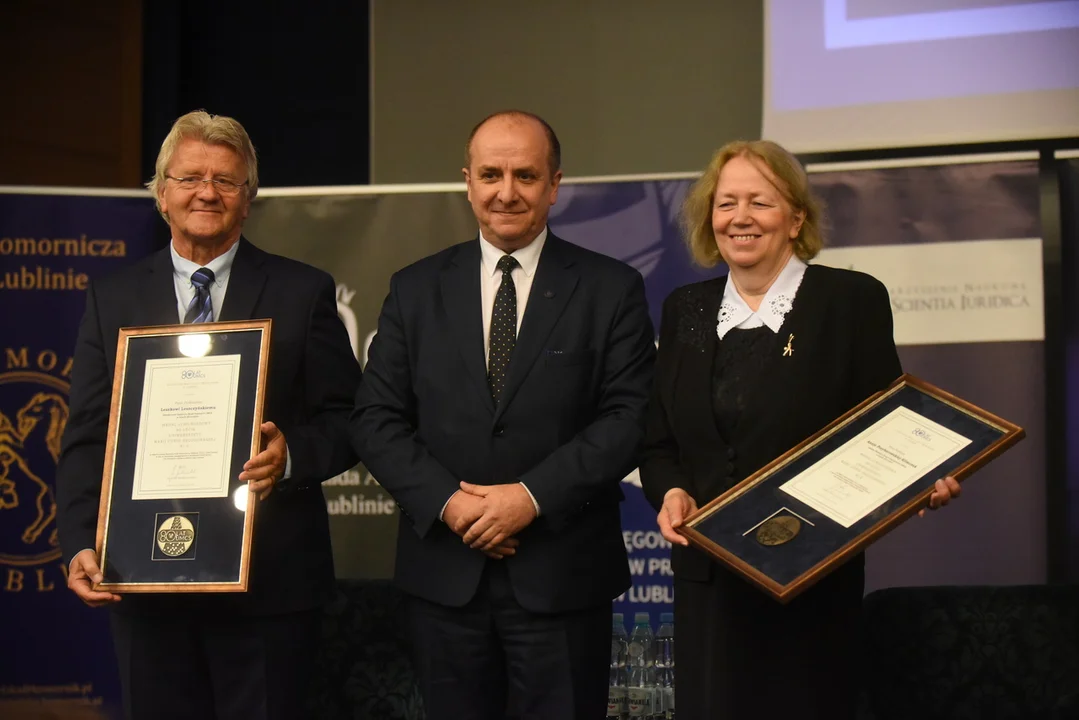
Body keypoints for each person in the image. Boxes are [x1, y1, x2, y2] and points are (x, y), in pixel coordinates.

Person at [638, 139, 961, 719]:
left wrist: (923, 476)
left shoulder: (850, 300)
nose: (740, 217)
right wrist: (671, 490)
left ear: (796, 219)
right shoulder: (684, 308)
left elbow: (891, 429)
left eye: (759, 202)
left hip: (811, 577)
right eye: (726, 203)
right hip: (708, 582)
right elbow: (659, 442)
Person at [55, 110, 362, 720]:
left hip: (270, 589)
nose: (207, 192)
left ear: (248, 199)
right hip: (144, 582)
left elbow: (352, 418)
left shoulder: (302, 292)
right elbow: (88, 435)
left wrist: (291, 456)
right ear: (161, 194)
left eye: (226, 180)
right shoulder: (112, 298)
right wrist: (79, 542)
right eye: (190, 177)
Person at [351, 110, 656, 720]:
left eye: (526, 175)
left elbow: (630, 418)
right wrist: (451, 503)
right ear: (467, 182)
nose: (506, 192)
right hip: (445, 578)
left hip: (564, 577)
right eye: (491, 174)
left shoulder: (610, 288)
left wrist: (530, 497)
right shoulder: (414, 288)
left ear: (554, 184)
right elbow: (374, 419)